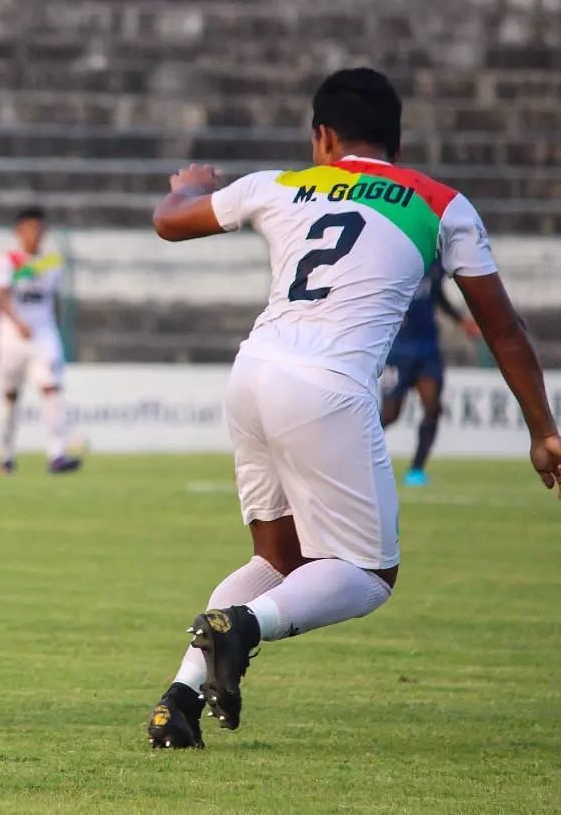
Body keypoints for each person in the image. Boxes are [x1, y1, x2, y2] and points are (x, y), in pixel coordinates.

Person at [144, 68, 561, 749]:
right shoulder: (441, 202)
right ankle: (242, 630)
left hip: (252, 372)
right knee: (369, 574)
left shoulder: (281, 184)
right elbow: (503, 327)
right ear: (394, 142)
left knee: (277, 560)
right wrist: (543, 430)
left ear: (323, 137)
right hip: (327, 384)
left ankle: (179, 700)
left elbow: (170, 222)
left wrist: (190, 185)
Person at [0, 206, 82, 474]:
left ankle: (57, 455)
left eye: (40, 229)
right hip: (12, 336)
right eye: (30, 228)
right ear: (19, 231)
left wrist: (54, 328)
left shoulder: (52, 262)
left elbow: (52, 297)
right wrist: (18, 323)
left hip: (43, 334)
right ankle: (5, 455)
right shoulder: (8, 260)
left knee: (52, 389)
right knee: (11, 397)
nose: (35, 234)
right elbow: (2, 296)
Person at [380, 259, 480, 486]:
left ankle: (416, 470)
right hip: (398, 350)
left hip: (428, 349)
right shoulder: (394, 257)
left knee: (433, 407)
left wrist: (460, 320)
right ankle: (355, 455)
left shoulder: (435, 264)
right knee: (389, 414)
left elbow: (437, 295)